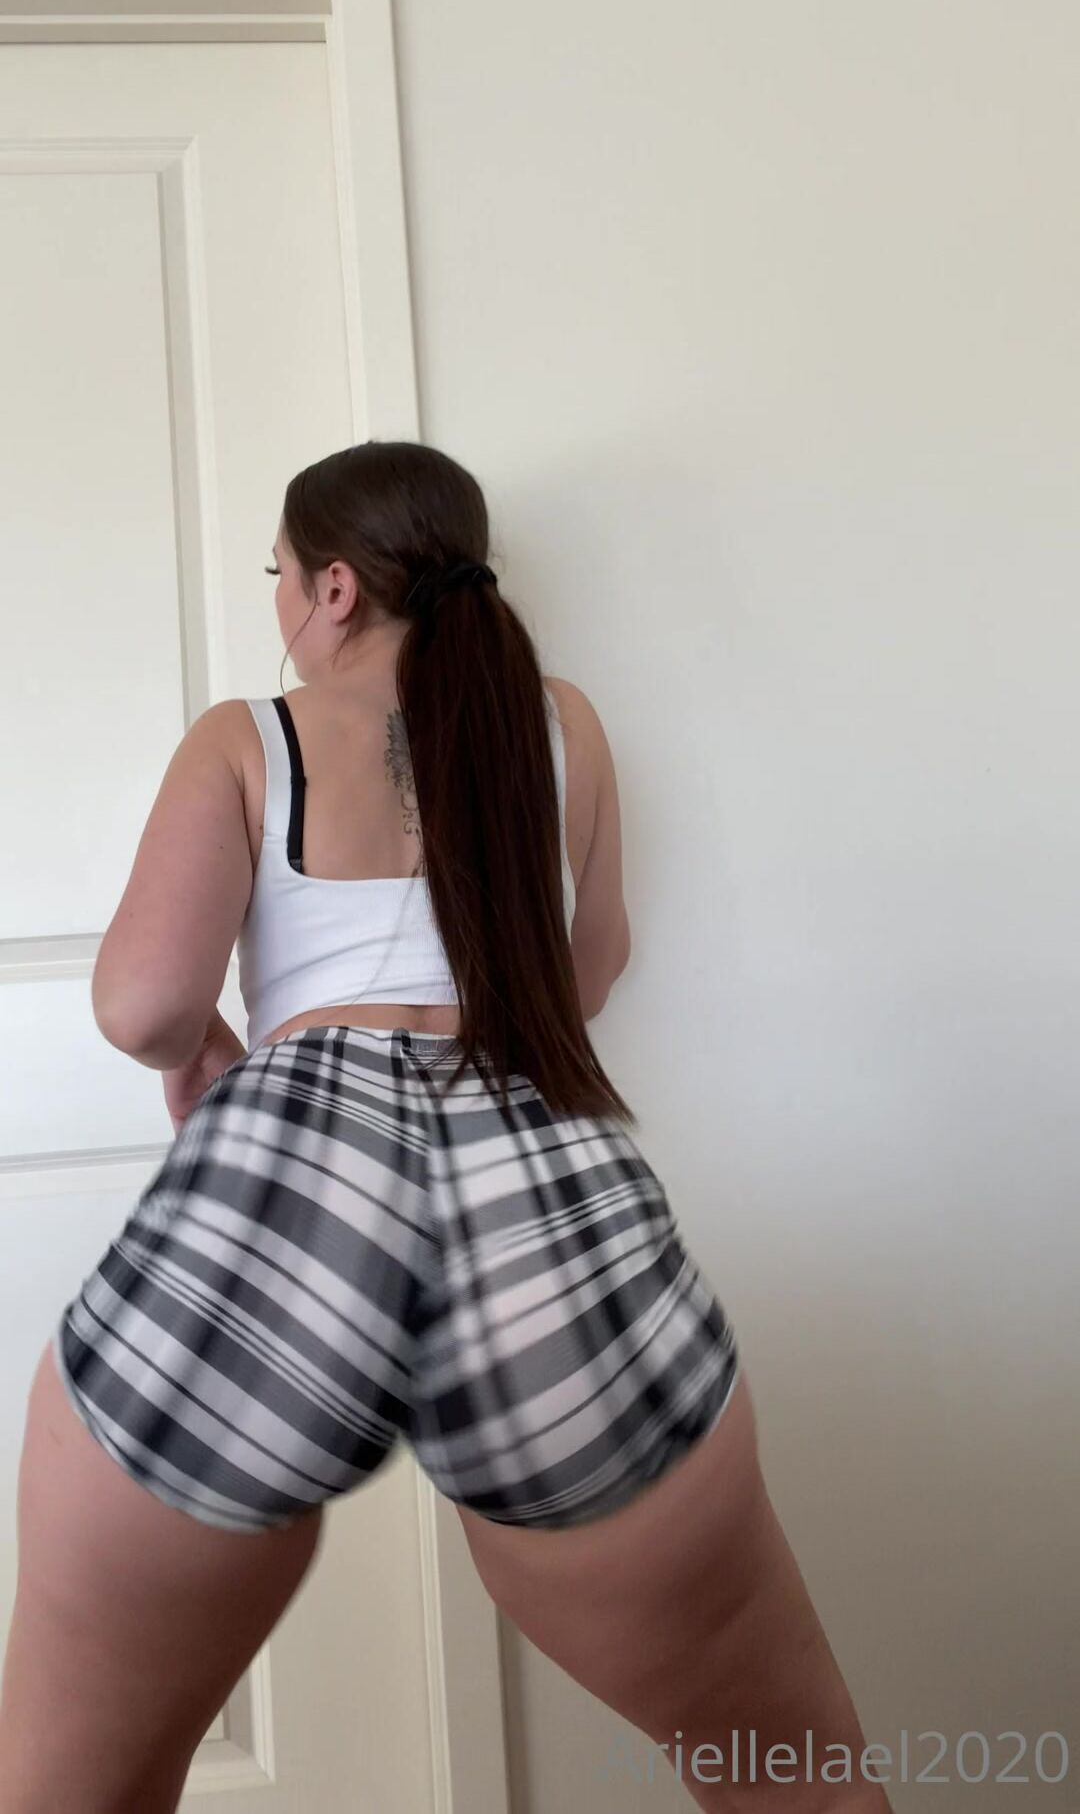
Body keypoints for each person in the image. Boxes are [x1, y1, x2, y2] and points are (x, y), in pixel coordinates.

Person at [0, 441, 893, 1814]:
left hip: (284, 1195)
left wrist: (206, 1053)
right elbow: (589, 974)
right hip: (538, 1194)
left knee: (74, 1792)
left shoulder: (251, 735)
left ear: (333, 587)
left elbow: (143, 1001)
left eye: (279, 575)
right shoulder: (564, 726)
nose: (279, 604)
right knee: (796, 1780)